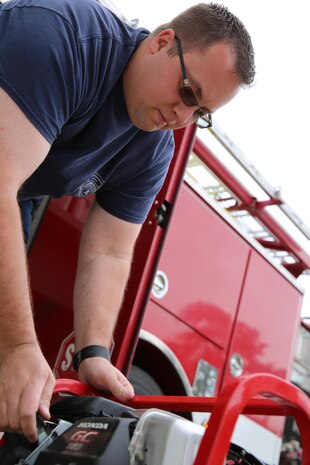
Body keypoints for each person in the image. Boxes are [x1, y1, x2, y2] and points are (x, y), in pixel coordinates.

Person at [0, 0, 255, 442]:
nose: (182, 117)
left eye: (200, 114)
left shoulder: (153, 148)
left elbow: (109, 250)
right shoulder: (63, 38)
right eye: (188, 93)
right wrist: (19, 346)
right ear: (161, 43)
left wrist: (93, 353)